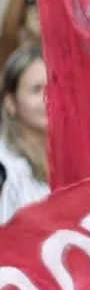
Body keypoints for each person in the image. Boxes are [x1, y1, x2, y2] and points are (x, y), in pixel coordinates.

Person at [0, 45, 49, 224]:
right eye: (36, 89)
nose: (48, 96)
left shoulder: (79, 155)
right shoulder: (5, 167)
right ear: (11, 103)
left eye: (54, 85)